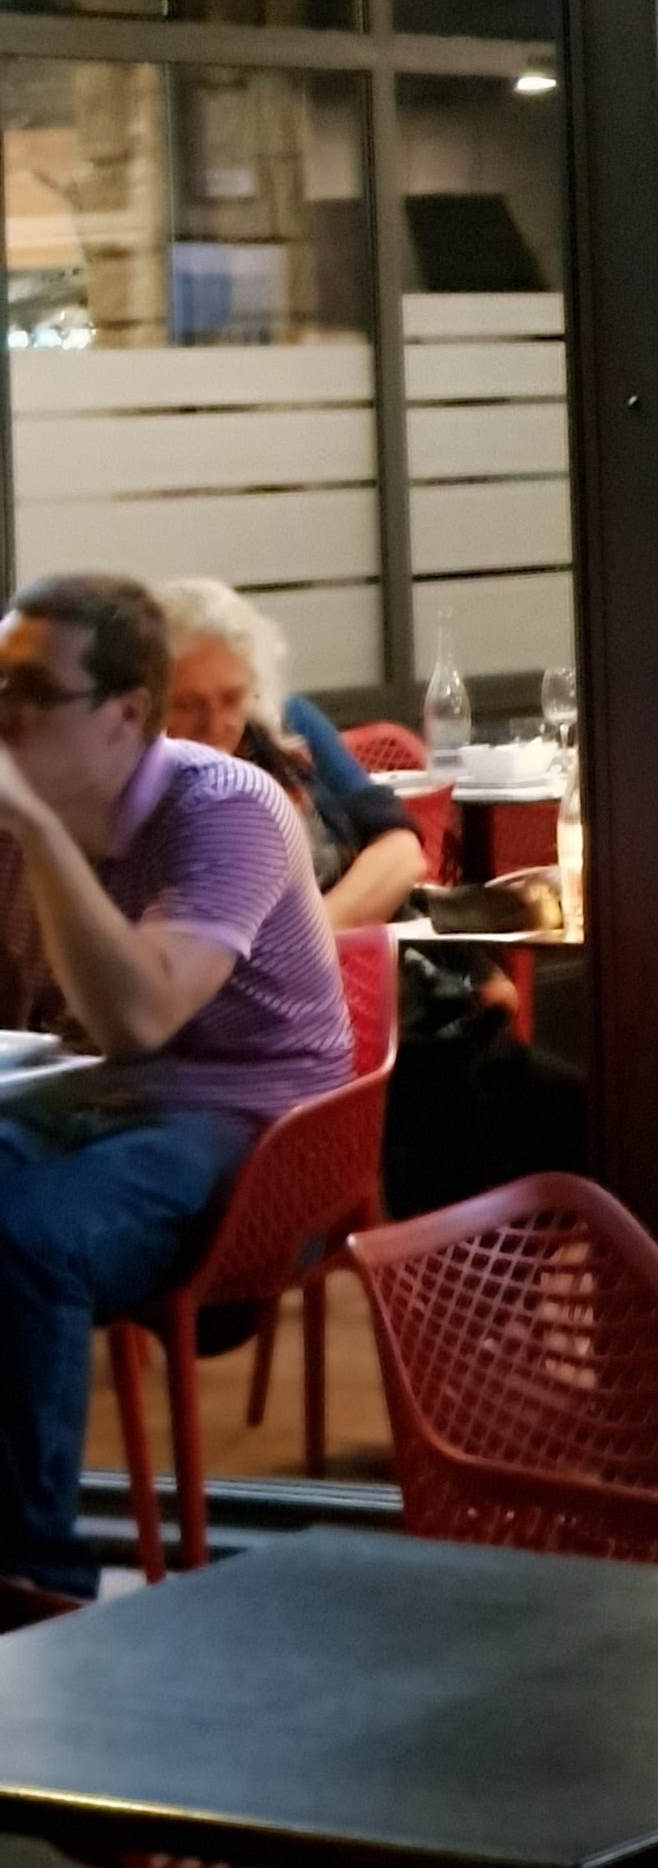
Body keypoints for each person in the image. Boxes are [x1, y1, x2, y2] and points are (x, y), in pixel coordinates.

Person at [0, 569, 351, 1588]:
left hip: (252, 1122)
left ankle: (33, 1580)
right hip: (92, 1100)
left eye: (33, 690)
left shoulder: (223, 806)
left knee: (26, 1239)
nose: (6, 712)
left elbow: (140, 1016)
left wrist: (38, 830)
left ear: (126, 714)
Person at [155, 579, 427, 928]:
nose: (215, 723)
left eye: (232, 698)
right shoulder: (139, 781)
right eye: (187, 704)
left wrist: (315, 935)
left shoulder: (289, 725)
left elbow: (399, 847)